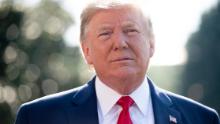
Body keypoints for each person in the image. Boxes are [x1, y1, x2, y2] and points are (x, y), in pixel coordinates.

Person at [15, 2, 220, 124]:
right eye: (105, 33)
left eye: (131, 30)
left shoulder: (201, 119)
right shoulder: (38, 117)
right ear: (87, 52)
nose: (120, 43)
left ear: (151, 44)